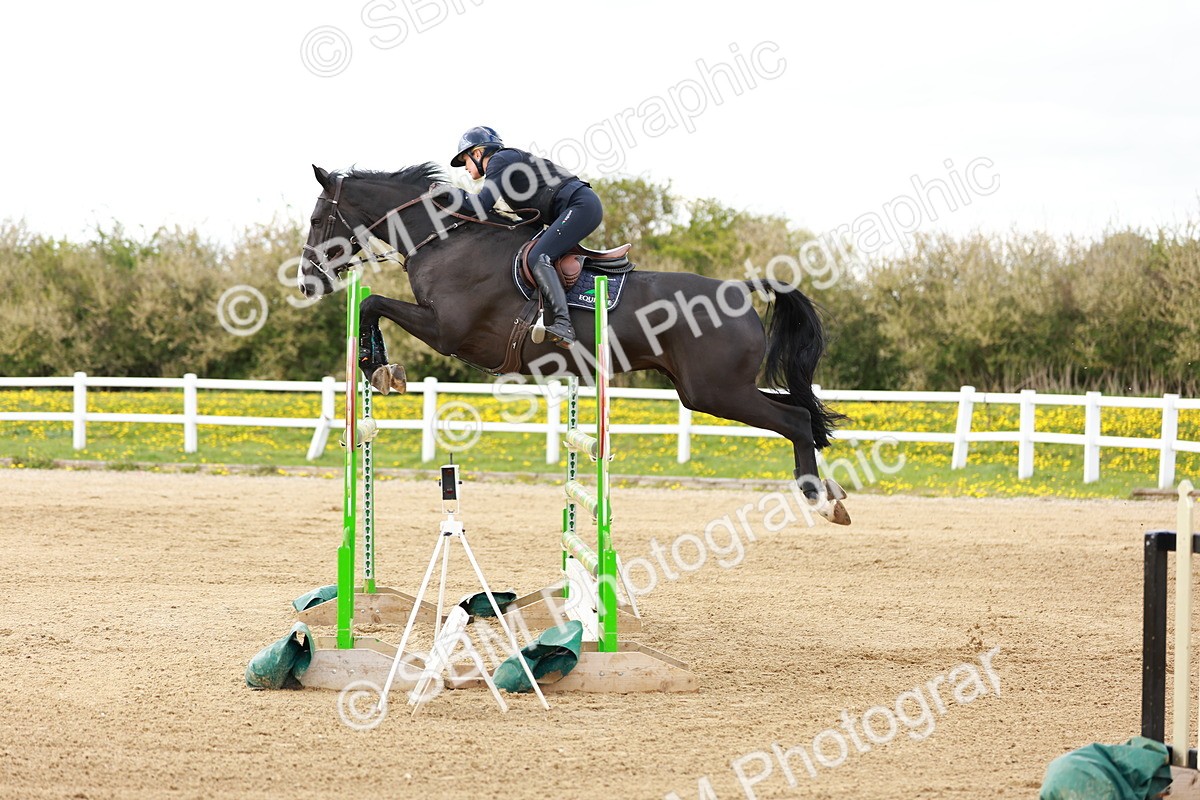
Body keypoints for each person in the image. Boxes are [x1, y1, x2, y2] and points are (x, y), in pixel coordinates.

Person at [443, 126, 603, 348]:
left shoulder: (499, 160)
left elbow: (480, 206)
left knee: (538, 257)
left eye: (466, 161)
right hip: (576, 207)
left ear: (478, 154)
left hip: (581, 205)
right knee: (531, 252)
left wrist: (450, 193)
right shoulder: (508, 173)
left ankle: (564, 324)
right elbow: (529, 224)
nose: (466, 169)